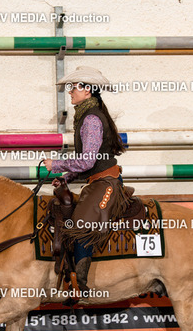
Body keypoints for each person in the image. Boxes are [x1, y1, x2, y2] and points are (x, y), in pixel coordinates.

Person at [43, 66, 129, 293]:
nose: (70, 92)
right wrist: (66, 178)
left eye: (74, 88)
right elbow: (87, 161)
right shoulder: (88, 115)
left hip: (106, 183)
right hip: (98, 181)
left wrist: (57, 166)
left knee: (81, 225)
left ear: (87, 90)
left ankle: (79, 284)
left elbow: (88, 161)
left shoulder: (90, 119)